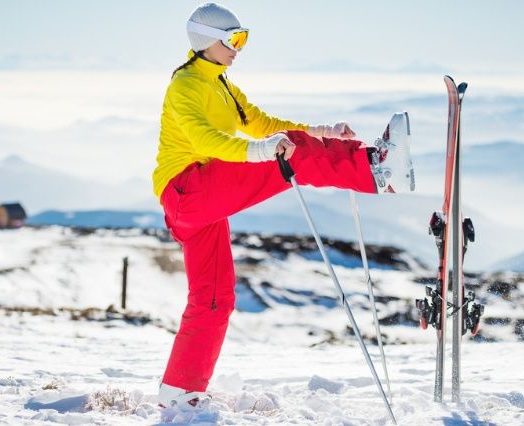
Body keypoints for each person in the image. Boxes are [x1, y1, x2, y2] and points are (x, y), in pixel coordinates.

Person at [153, 2, 413, 409]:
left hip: (199, 203)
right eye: (233, 40)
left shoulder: (219, 82)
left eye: (244, 38)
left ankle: (178, 392)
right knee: (290, 156)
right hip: (188, 189)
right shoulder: (186, 85)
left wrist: (320, 130)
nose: (239, 47)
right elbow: (204, 141)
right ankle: (375, 169)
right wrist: (260, 152)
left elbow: (258, 122)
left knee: (215, 297)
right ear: (207, 41)